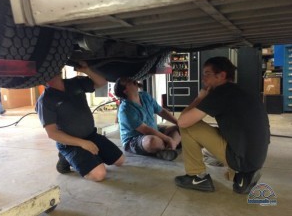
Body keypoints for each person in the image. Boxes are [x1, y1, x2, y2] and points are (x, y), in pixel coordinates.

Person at [174, 56, 270, 194]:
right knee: (216, 138)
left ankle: (197, 177)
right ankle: (242, 177)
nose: (203, 79)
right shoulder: (242, 91)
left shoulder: (220, 93)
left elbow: (182, 121)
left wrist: (199, 98)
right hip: (256, 157)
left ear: (221, 75)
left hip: (241, 158)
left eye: (207, 74)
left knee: (188, 126)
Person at [35, 62, 125, 182]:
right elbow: (53, 133)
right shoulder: (45, 100)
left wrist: (87, 70)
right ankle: (65, 158)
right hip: (71, 143)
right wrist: (82, 143)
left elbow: (102, 83)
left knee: (120, 161)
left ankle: (88, 158)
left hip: (91, 135)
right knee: (99, 175)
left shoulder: (74, 83)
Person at [114, 77, 181, 161]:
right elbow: (145, 130)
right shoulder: (125, 109)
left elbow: (161, 111)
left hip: (154, 129)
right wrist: (168, 138)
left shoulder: (145, 96)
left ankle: (169, 149)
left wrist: (178, 123)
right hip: (135, 139)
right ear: (125, 91)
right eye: (127, 81)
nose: (132, 81)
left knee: (180, 128)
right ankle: (171, 144)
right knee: (152, 141)